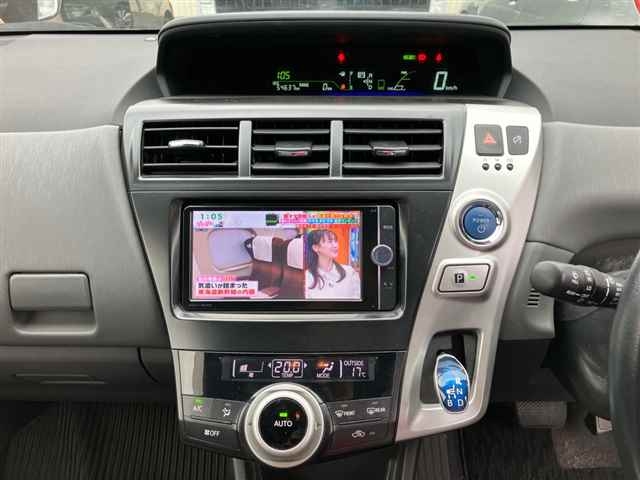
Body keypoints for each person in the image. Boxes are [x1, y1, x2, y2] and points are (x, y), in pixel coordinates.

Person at [304, 229, 360, 300]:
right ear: (315, 248)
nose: (335, 245)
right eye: (330, 241)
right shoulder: (307, 277)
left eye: (335, 241)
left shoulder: (350, 272)